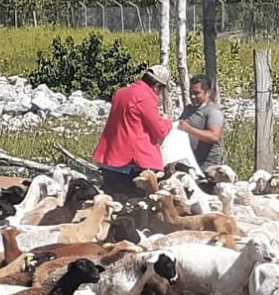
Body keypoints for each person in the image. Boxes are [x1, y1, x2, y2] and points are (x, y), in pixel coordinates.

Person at [93, 65, 172, 199]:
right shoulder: (144, 98)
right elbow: (160, 130)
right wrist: (166, 121)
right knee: (136, 203)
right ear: (157, 86)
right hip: (132, 163)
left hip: (111, 158)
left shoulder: (121, 93)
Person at [176, 75, 225, 170]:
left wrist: (189, 129)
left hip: (206, 166)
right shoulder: (188, 110)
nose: (193, 96)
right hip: (187, 163)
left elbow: (214, 136)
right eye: (191, 93)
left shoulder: (213, 112)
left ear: (208, 93)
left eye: (197, 93)